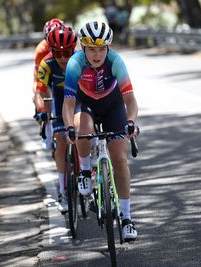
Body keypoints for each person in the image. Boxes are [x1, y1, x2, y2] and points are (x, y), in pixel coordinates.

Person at [62, 21, 139, 241]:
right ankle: (85, 171)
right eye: (92, 49)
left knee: (119, 158)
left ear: (108, 47)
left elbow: (131, 102)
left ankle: (126, 219)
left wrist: (131, 122)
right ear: (83, 48)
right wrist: (68, 127)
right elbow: (68, 104)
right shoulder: (75, 63)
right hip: (85, 104)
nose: (97, 54)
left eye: (102, 49)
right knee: (82, 127)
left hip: (113, 105)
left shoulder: (116, 62)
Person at [34, 25, 77, 213]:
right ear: (51, 50)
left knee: (85, 131)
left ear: (73, 49)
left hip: (79, 100)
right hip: (60, 100)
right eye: (57, 53)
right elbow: (39, 91)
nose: (63, 58)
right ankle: (62, 189)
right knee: (60, 143)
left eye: (67, 52)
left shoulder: (80, 60)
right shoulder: (46, 63)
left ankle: (87, 163)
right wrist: (42, 109)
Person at [32, 18, 64, 149]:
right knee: (44, 97)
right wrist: (41, 108)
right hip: (46, 74)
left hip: (62, 72)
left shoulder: (70, 44)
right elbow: (40, 80)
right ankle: (48, 128)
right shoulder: (41, 50)